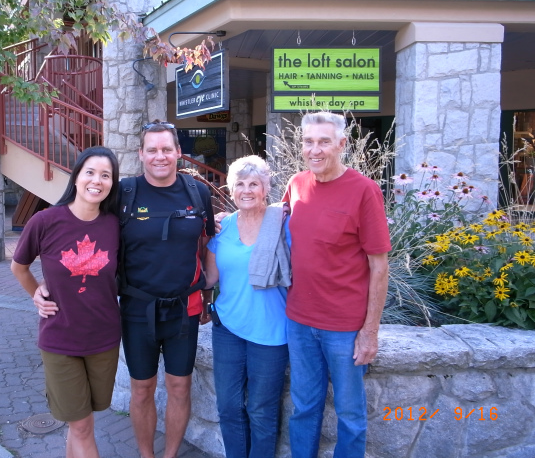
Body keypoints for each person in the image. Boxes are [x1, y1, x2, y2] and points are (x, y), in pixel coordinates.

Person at [283, 112, 390, 458]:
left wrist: (370, 331)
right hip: (299, 321)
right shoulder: (296, 184)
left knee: (350, 415)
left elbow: (379, 266)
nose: (315, 150)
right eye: (309, 141)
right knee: (303, 408)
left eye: (324, 142)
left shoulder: (364, 191)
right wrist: (228, 220)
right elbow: (273, 222)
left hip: (344, 328)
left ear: (342, 144)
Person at [11, 146, 121, 458]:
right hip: (60, 338)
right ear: (76, 177)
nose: (97, 180)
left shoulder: (115, 225)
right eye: (90, 172)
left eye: (105, 175)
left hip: (104, 338)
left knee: (82, 422)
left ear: (112, 183)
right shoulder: (45, 221)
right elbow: (19, 267)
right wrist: (36, 293)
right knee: (82, 425)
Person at [118, 120, 215, 458]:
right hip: (136, 308)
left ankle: (170, 455)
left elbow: (207, 244)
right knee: (142, 389)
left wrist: (208, 296)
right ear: (141, 154)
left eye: (166, 149)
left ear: (178, 152)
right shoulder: (124, 193)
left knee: (179, 387)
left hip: (184, 309)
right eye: (152, 150)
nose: (159, 156)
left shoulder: (198, 193)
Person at [203, 155, 290, 458]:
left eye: (254, 183)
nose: (247, 190)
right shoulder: (222, 228)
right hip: (228, 328)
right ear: (231, 189)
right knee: (228, 406)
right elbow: (209, 278)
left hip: (271, 332)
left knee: (261, 410)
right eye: (240, 184)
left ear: (265, 188)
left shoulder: (283, 225)